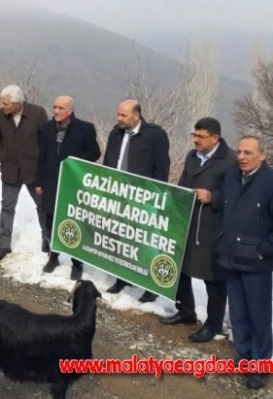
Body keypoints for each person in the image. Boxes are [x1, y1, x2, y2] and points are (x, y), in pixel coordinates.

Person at [159, 117, 236, 342]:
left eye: (200, 137)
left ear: (215, 137)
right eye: (194, 135)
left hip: (212, 226)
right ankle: (186, 311)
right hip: (188, 220)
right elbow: (184, 182)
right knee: (181, 268)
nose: (195, 140)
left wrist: (213, 197)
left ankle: (213, 325)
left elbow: (235, 196)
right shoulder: (192, 156)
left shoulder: (229, 161)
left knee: (213, 278)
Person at [213, 135, 273, 390]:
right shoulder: (232, 177)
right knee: (238, 313)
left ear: (263, 155)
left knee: (258, 316)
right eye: (239, 151)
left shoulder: (270, 182)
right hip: (231, 258)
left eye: (248, 152)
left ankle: (261, 365)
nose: (241, 157)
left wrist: (265, 249)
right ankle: (245, 356)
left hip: (256, 263)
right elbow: (223, 209)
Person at [102, 99, 170, 303]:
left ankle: (150, 285)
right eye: (118, 114)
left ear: (136, 115)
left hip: (143, 198)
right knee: (121, 239)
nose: (119, 118)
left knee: (143, 241)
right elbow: (109, 161)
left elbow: (161, 168)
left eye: (123, 115)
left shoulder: (155, 136)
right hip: (118, 195)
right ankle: (122, 277)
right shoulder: (116, 133)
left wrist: (154, 196)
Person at [36, 96, 101, 279]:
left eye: (60, 108)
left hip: (72, 184)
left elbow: (95, 152)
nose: (56, 111)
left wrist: (74, 162)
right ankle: (54, 256)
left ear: (70, 111)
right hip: (50, 182)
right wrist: (39, 182)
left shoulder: (85, 129)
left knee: (73, 222)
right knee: (50, 222)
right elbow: (42, 155)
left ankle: (77, 263)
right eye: (54, 107)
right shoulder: (47, 127)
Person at [0, 85, 49, 262]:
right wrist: (2, 156)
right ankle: (3, 244)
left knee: (42, 206)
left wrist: (43, 166)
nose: (3, 106)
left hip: (33, 170)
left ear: (17, 104)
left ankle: (47, 238)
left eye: (6, 103)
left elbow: (47, 141)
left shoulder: (37, 114)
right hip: (10, 169)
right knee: (7, 207)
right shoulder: (1, 115)